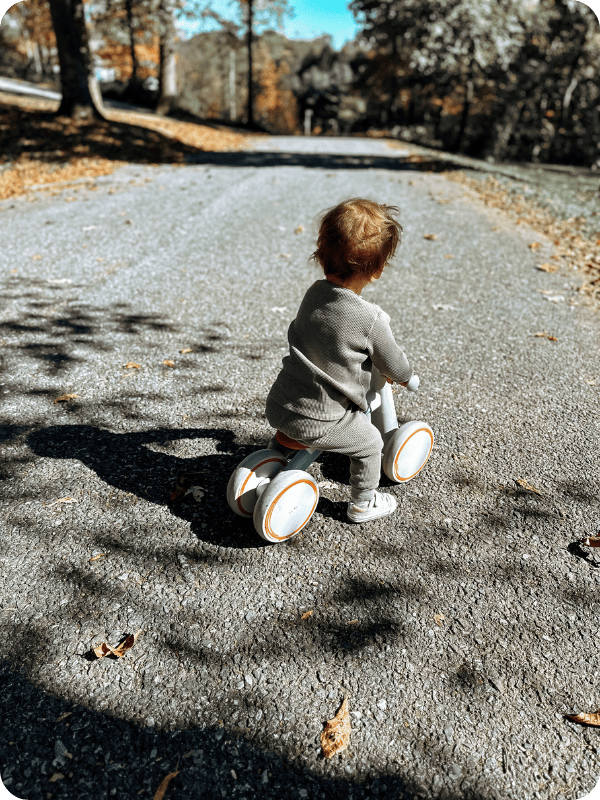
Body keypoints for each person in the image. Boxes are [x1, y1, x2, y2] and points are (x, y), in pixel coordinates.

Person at [265, 198, 413, 523]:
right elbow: (393, 364)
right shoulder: (370, 319)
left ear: (321, 254)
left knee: (308, 412)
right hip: (321, 420)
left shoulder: (313, 293)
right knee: (371, 443)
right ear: (377, 270)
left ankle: (274, 456)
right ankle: (364, 503)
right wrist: (406, 376)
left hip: (279, 405)